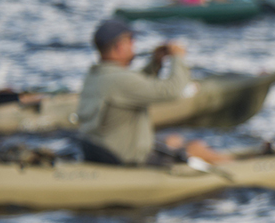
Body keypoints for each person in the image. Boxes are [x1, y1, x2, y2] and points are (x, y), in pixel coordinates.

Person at [76, 19, 230, 166]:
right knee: (196, 148)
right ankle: (237, 167)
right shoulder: (119, 80)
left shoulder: (96, 76)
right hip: (128, 160)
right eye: (131, 41)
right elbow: (173, 90)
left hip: (105, 151)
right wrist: (178, 57)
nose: (133, 46)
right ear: (120, 46)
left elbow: (134, 87)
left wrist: (156, 63)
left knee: (173, 140)